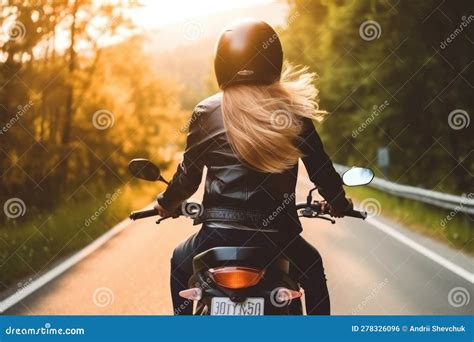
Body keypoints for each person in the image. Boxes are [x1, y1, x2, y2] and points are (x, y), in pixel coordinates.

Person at [154, 18, 353, 315]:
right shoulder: (292, 113)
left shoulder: (206, 111)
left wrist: (166, 202)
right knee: (312, 269)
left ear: (222, 62)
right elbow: (321, 170)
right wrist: (337, 202)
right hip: (278, 237)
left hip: (216, 234)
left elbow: (188, 176)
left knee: (177, 262)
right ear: (273, 59)